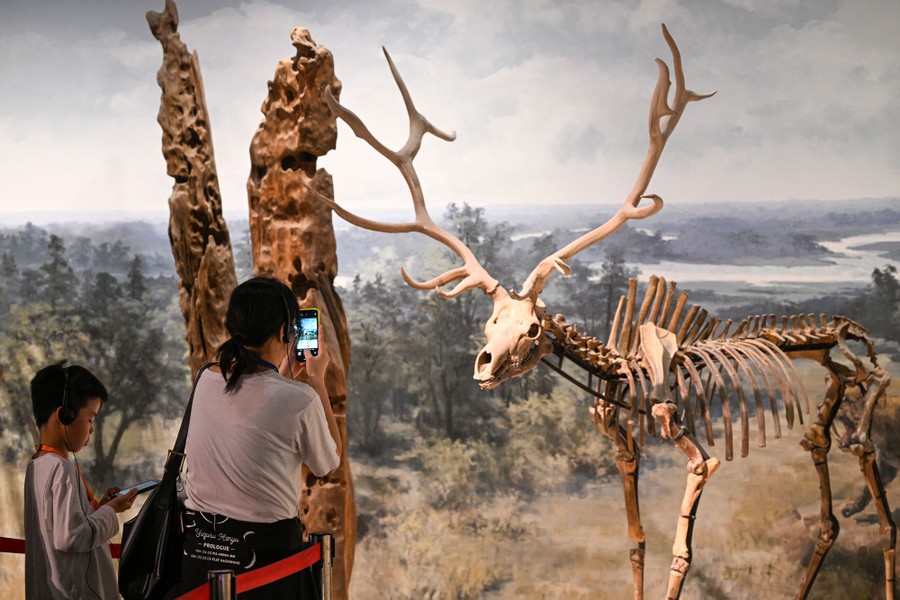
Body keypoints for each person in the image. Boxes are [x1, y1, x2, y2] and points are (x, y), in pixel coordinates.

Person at [171, 276, 342, 598]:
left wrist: (282, 374)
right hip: (266, 564)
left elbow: (253, 393)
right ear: (284, 332)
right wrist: (316, 381)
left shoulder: (205, 380)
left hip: (199, 556)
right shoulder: (298, 399)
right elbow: (328, 463)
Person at [24, 362, 140, 599]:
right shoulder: (61, 469)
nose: (92, 429)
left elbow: (61, 525)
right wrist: (109, 511)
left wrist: (99, 506)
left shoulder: (37, 464)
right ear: (65, 416)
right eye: (90, 419)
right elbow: (71, 536)